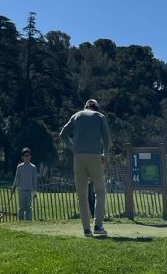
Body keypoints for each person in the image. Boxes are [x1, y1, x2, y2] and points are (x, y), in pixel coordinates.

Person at [59, 98, 112, 237]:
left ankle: (86, 229)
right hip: (95, 156)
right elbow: (107, 140)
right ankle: (98, 226)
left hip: (78, 157)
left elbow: (62, 135)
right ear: (96, 107)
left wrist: (73, 148)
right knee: (100, 191)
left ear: (85, 107)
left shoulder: (76, 116)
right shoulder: (100, 117)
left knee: (81, 194)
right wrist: (105, 156)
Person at [11, 147, 37, 220]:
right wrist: (13, 187)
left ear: (30, 156)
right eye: (25, 156)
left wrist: (35, 191)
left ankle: (28, 221)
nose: (27, 157)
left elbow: (34, 180)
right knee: (21, 207)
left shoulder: (33, 167)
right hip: (21, 189)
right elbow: (16, 178)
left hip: (29, 190)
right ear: (23, 157)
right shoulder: (19, 167)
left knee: (28, 207)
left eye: (28, 155)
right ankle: (21, 221)